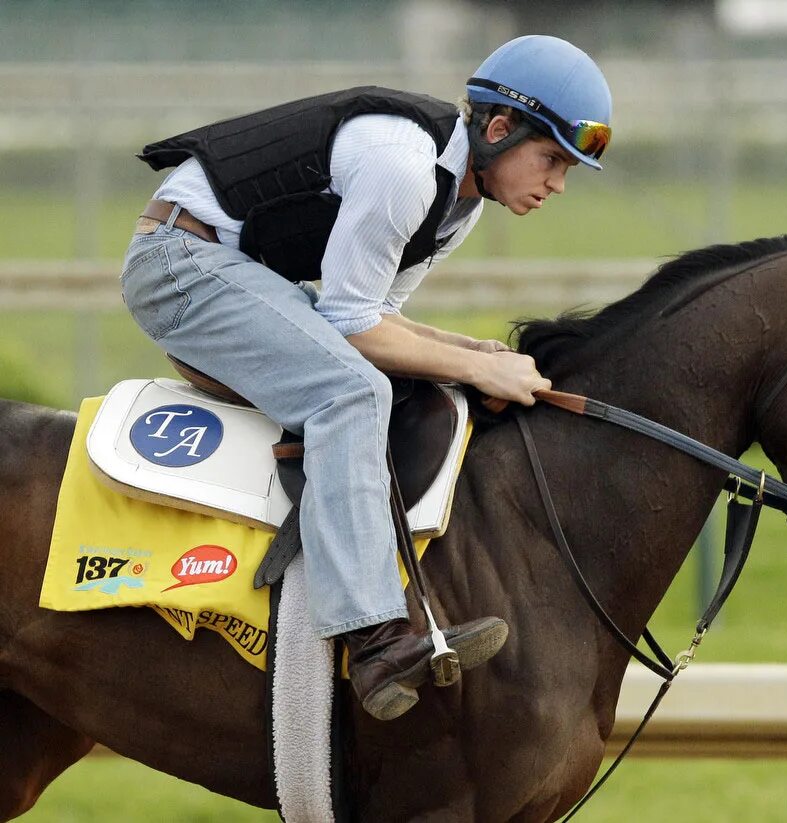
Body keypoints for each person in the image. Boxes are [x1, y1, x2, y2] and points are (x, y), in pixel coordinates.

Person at [121, 34, 612, 721]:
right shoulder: (405, 169)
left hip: (237, 272)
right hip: (176, 261)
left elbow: (379, 318)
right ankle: (374, 639)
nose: (556, 184)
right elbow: (353, 328)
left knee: (404, 377)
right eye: (553, 159)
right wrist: (479, 363)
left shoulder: (459, 203)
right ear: (498, 130)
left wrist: (472, 350)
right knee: (350, 390)